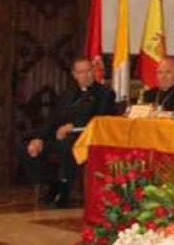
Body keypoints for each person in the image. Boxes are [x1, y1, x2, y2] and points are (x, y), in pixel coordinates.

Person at [22, 57, 115, 207]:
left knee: (69, 144)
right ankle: (51, 182)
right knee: (26, 146)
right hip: (60, 135)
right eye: (81, 72)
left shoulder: (105, 93)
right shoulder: (68, 92)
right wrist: (39, 138)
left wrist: (73, 127)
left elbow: (99, 120)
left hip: (85, 138)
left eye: (89, 71)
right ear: (74, 74)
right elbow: (53, 118)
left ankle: (63, 189)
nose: (87, 75)